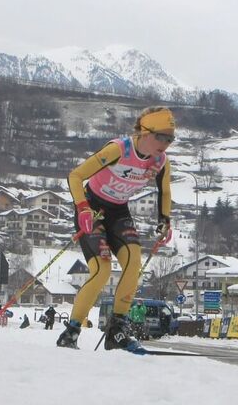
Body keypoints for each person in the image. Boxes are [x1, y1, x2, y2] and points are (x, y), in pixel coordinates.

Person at [56, 107, 175, 351]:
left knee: (133, 263)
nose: (165, 143)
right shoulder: (118, 150)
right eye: (161, 136)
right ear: (144, 132)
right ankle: (71, 333)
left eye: (170, 138)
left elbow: (165, 191)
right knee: (101, 270)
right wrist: (82, 208)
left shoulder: (161, 161)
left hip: (119, 211)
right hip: (92, 208)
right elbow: (75, 176)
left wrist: (165, 220)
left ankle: (117, 332)